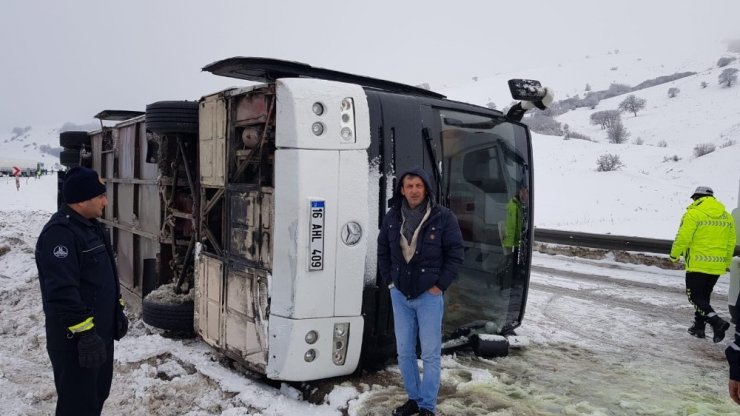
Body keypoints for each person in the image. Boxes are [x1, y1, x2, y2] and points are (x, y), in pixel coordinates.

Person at [35, 166, 128, 416]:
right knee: (77, 407)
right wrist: (85, 334)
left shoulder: (90, 227)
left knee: (95, 398)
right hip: (76, 344)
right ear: (81, 199)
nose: (105, 201)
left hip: (98, 338)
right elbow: (62, 293)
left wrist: (115, 311)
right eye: (100, 196)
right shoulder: (60, 235)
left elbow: (100, 279)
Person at [377, 167, 464, 416]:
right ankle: (413, 400)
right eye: (409, 186)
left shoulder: (443, 217)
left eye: (418, 186)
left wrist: (439, 286)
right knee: (404, 353)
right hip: (400, 295)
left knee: (430, 354)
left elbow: (456, 255)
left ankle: (427, 406)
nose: (414, 190)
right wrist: (390, 282)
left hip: (429, 296)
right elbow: (382, 250)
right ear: (402, 190)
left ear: (425, 188)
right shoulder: (392, 216)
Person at [670, 186, 736, 342]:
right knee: (703, 297)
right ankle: (699, 327)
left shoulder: (693, 214)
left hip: (698, 264)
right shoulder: (726, 216)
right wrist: (726, 262)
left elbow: (683, 237)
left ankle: (716, 322)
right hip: (716, 265)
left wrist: (674, 255)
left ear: (696, 198)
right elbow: (731, 242)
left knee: (694, 297)